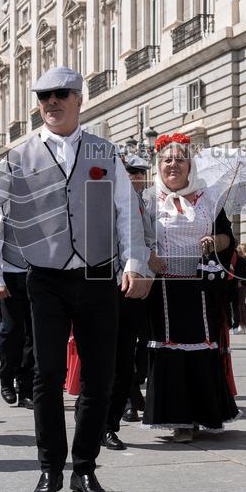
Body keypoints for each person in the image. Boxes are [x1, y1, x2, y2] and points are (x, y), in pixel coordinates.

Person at [0, 66, 152, 492]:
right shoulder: (20, 157)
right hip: (45, 275)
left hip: (98, 272)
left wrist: (135, 260)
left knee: (100, 375)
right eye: (44, 97)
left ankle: (85, 467)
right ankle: (49, 470)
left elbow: (126, 211)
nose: (52, 102)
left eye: (61, 94)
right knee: (46, 375)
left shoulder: (105, 151)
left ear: (79, 98)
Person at [142, 133, 239, 443]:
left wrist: (215, 241)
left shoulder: (209, 198)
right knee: (169, 347)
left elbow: (228, 238)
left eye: (180, 160)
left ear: (190, 166)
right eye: (167, 160)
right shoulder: (147, 200)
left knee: (201, 347)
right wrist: (148, 256)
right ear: (159, 165)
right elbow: (132, 237)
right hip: (163, 289)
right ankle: (179, 420)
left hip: (201, 287)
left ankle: (204, 414)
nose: (173, 165)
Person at [102, 153, 152, 450]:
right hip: (103, 286)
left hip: (132, 285)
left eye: (135, 171)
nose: (131, 176)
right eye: (126, 170)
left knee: (124, 360)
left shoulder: (141, 201)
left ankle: (110, 425)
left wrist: (148, 262)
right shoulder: (98, 198)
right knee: (101, 362)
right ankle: (95, 421)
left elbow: (147, 237)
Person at [0, 208, 34, 407]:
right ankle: (6, 377)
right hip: (10, 274)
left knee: (34, 334)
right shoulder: (3, 206)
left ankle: (26, 388)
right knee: (12, 329)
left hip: (37, 273)